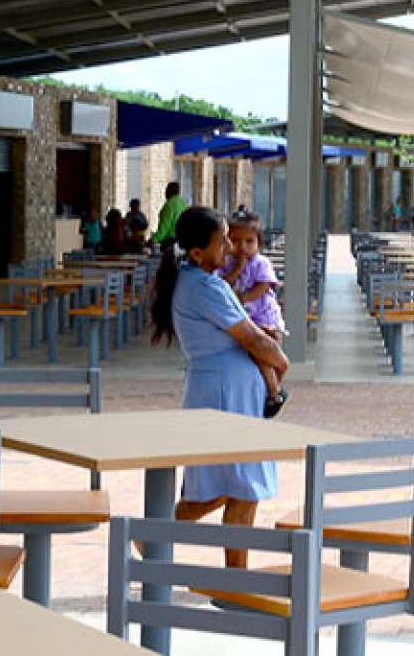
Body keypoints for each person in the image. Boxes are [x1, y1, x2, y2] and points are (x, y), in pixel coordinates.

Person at [150, 206, 290, 567]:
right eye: (222, 241)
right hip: (227, 392)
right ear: (198, 253)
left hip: (228, 387)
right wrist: (281, 363)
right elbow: (252, 338)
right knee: (238, 483)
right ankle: (156, 538)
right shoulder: (206, 287)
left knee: (238, 484)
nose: (230, 247)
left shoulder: (197, 281)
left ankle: (225, 569)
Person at [218, 212, 289, 418]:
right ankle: (271, 390)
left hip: (263, 316)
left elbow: (264, 286)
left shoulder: (261, 263)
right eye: (236, 241)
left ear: (259, 243)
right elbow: (223, 285)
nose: (242, 247)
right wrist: (237, 268)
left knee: (261, 352)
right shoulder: (226, 264)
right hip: (244, 319)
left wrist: (243, 298)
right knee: (255, 355)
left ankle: (273, 391)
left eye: (249, 241)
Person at [151, 182, 188, 246]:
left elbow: (165, 225)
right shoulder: (183, 203)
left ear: (170, 191)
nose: (165, 192)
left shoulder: (170, 204)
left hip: (170, 240)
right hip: (182, 240)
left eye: (167, 190)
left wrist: (154, 240)